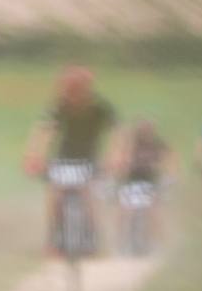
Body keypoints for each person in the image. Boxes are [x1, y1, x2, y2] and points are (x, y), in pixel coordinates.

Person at [23, 65, 117, 256]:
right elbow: (43, 132)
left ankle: (92, 239)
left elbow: (116, 132)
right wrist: (34, 156)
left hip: (90, 160)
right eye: (69, 89)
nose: (72, 94)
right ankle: (53, 238)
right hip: (63, 160)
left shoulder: (100, 108)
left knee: (89, 196)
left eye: (77, 89)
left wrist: (114, 156)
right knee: (54, 194)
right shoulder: (59, 106)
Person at [107, 118, 174, 254]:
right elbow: (117, 164)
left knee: (155, 211)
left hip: (150, 184)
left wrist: (170, 176)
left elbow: (171, 159)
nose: (145, 134)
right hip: (130, 184)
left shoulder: (158, 144)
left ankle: (161, 243)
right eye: (142, 131)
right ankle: (119, 242)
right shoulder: (129, 146)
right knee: (123, 211)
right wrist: (122, 164)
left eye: (148, 131)